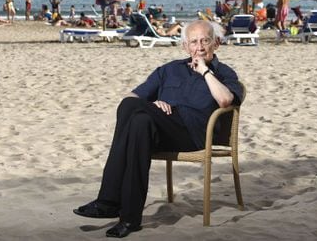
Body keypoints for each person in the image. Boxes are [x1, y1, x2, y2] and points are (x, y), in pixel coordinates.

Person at [72, 20, 243, 238]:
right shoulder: (169, 70)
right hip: (161, 131)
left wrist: (205, 72)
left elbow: (226, 100)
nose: (199, 47)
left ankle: (108, 200)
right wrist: (152, 105)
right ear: (185, 47)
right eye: (193, 42)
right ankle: (130, 220)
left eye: (205, 41)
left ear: (216, 44)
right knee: (138, 122)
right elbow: (133, 97)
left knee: (134, 115)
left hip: (194, 135)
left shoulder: (224, 73)